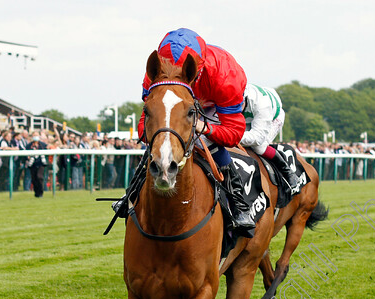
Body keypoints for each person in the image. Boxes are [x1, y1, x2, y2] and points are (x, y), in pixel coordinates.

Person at [121, 28, 253, 229]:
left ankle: (238, 202)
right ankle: (131, 193)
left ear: (194, 70)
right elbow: (143, 126)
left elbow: (233, 134)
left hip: (214, 104)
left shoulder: (225, 76)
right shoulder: (157, 73)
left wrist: (203, 127)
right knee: (159, 141)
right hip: (178, 106)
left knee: (207, 142)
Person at [240, 83, 298, 190]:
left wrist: (232, 137)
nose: (235, 109)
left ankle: (288, 172)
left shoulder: (260, 104)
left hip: (272, 117)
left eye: (239, 104)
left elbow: (257, 138)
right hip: (250, 117)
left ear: (245, 99)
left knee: (259, 147)